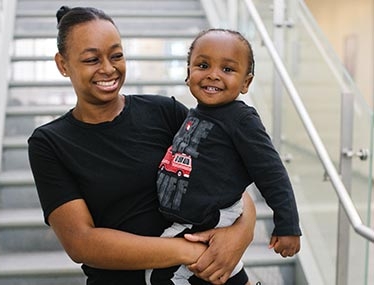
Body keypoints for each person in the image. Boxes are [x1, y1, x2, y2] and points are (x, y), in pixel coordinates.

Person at [28, 7, 257, 285]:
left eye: (117, 55)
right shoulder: (49, 143)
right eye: (91, 59)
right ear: (63, 65)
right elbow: (82, 242)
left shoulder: (164, 111)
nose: (108, 68)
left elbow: (228, 183)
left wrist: (241, 233)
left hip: (211, 275)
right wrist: (190, 251)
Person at [145, 29, 302, 285]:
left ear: (246, 83)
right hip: (191, 217)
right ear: (188, 72)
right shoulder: (195, 114)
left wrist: (288, 226)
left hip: (209, 215)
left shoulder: (242, 120)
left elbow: (272, 173)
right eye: (203, 65)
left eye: (228, 69)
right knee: (214, 273)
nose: (213, 74)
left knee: (161, 275)